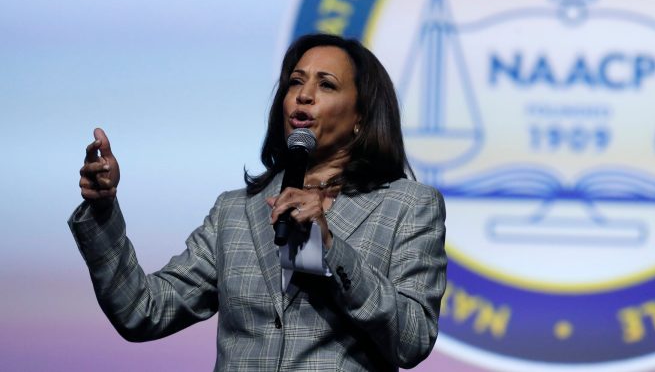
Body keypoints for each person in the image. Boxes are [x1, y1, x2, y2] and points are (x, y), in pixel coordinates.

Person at [69, 33, 447, 371]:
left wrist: (331, 251)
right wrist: (104, 210)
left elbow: (412, 340)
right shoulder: (235, 211)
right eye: (295, 81)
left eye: (326, 85)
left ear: (360, 118)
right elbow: (142, 311)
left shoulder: (408, 206)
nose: (304, 95)